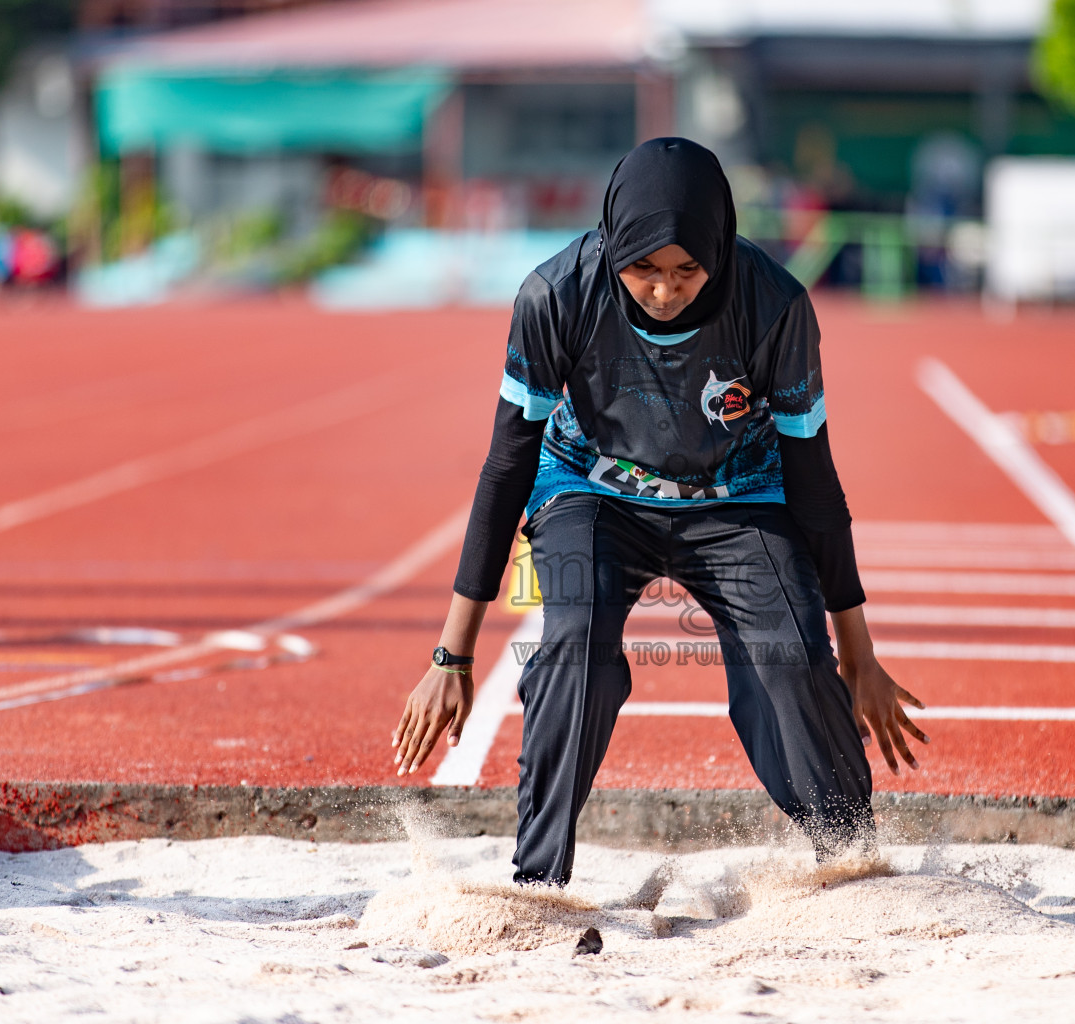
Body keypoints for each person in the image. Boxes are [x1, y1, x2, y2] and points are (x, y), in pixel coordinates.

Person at [390, 138, 928, 886]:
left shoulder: (775, 307)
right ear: (612, 243)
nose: (664, 292)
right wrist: (452, 655)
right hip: (592, 492)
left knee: (793, 664)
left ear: (719, 249)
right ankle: (538, 881)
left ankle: (851, 858)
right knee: (574, 649)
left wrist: (857, 654)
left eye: (685, 271)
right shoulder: (557, 296)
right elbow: (507, 463)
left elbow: (815, 486)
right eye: (642, 269)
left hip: (739, 498)